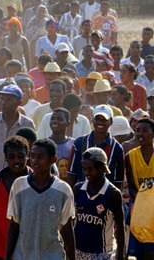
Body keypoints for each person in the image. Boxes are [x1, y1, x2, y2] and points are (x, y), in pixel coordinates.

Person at [5, 138, 75, 260]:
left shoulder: (63, 190)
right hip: (23, 255)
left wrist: (72, 258)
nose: (34, 161)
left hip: (53, 255)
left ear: (53, 160)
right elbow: (14, 224)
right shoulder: (19, 186)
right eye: (32, 156)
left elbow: (67, 228)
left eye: (40, 157)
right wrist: (7, 257)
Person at [73, 147, 125, 260]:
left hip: (102, 253)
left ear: (102, 168)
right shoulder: (78, 189)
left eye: (90, 169)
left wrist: (120, 255)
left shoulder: (112, 194)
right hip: (78, 250)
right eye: (84, 169)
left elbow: (120, 226)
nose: (86, 173)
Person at [0, 84, 36, 174]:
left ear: (19, 102)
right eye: (2, 99)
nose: (4, 102)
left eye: (9, 100)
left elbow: (32, 154)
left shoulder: (27, 124)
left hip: (16, 178)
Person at [67, 105, 125, 190]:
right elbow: (72, 174)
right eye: (97, 119)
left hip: (105, 197)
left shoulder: (117, 148)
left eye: (104, 120)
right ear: (92, 119)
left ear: (111, 121)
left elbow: (118, 181)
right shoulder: (79, 143)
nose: (100, 122)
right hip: (81, 195)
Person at [125, 117, 154, 259]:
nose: (140, 134)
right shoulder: (130, 156)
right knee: (138, 253)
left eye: (145, 131)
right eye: (137, 131)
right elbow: (131, 187)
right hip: (139, 207)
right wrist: (143, 201)